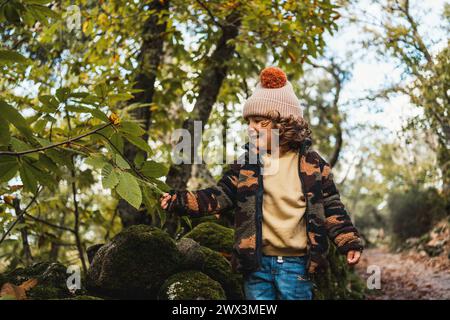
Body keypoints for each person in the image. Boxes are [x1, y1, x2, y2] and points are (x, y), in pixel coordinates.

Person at [160, 66, 363, 300]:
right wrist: (179, 201)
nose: (251, 127)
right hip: (255, 264)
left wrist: (348, 241)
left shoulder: (313, 165)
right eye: (249, 121)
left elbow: (332, 207)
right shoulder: (247, 164)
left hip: (298, 265)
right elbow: (218, 196)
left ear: (285, 124)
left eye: (260, 121)